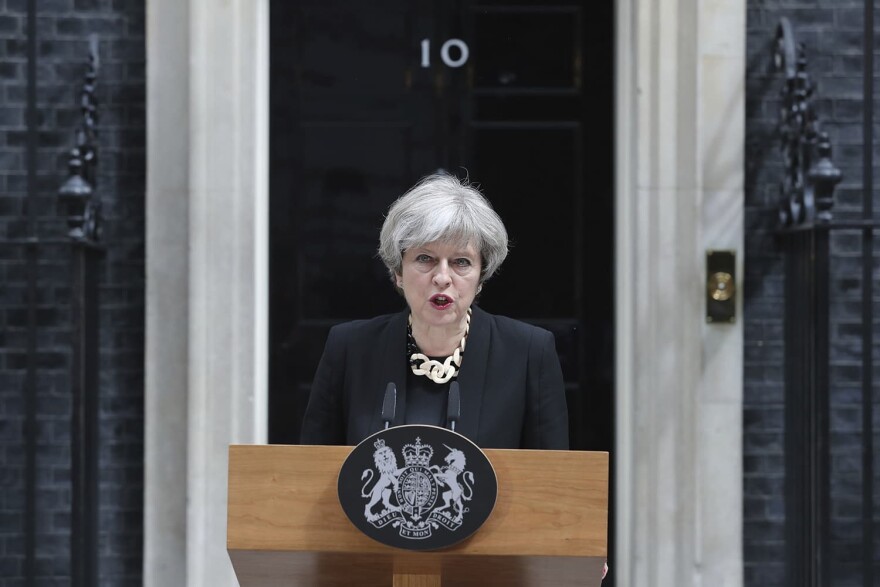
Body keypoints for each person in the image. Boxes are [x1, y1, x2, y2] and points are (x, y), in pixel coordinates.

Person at [300, 173, 568, 449]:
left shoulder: (529, 353)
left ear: (481, 277)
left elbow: (554, 478)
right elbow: (311, 473)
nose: (442, 277)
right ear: (397, 271)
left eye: (460, 262)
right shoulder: (349, 349)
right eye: (425, 258)